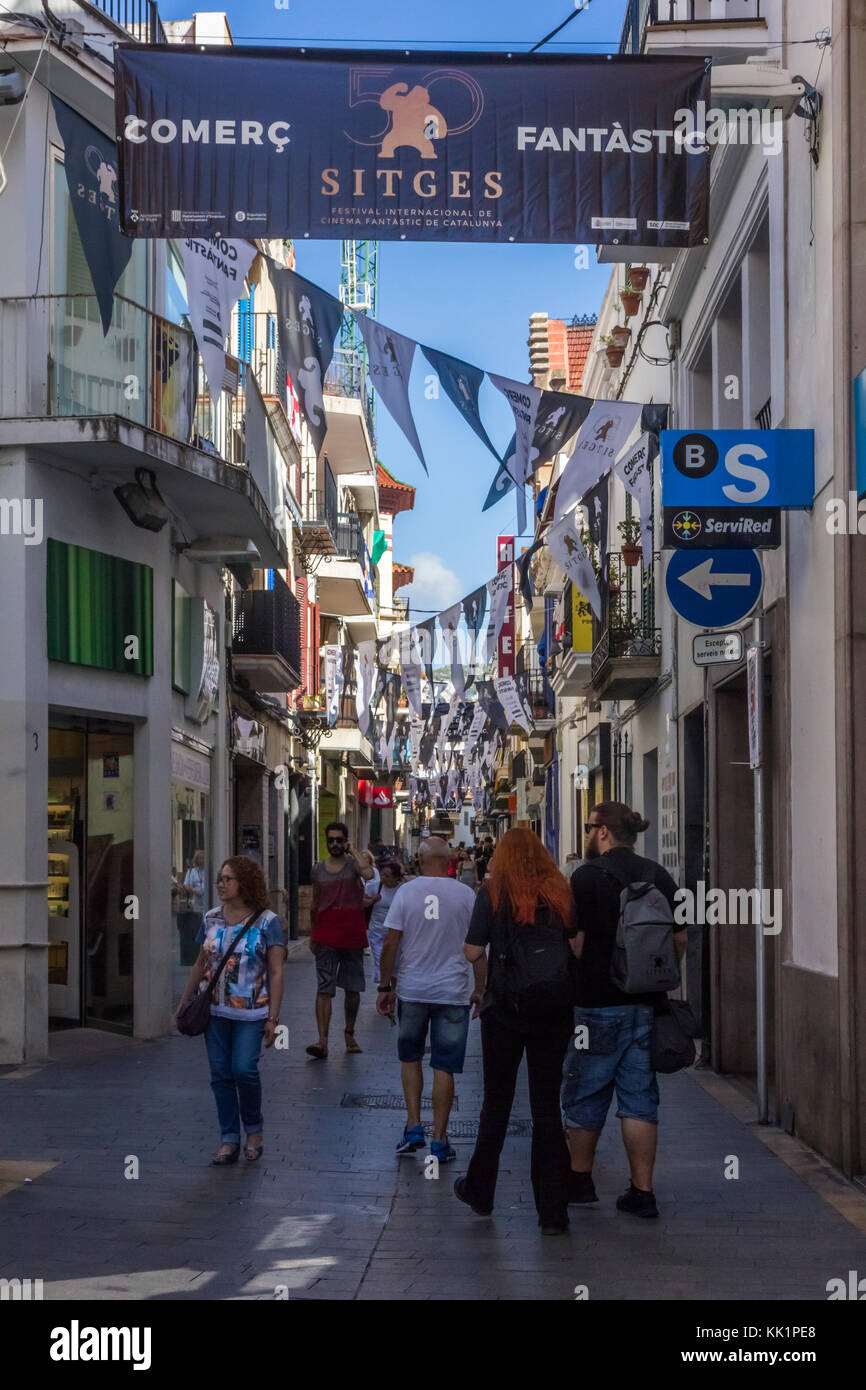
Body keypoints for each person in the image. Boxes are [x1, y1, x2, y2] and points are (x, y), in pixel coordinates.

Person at [562, 802, 684, 1219]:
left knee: (585, 1091)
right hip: (647, 1006)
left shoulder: (585, 878)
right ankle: (642, 1192)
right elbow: (679, 940)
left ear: (601, 832)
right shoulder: (660, 876)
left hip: (595, 1004)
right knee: (639, 1098)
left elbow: (574, 942)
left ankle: (579, 1182)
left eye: (588, 826)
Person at [455, 828, 575, 1234]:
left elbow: (472, 951)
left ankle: (480, 1190)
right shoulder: (559, 890)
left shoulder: (491, 893)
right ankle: (553, 1212)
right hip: (554, 1010)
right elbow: (576, 946)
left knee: (497, 1105)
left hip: (505, 1010)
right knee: (546, 1108)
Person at [376, 837, 481, 1165]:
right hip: (452, 993)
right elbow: (478, 947)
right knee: (444, 1066)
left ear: (419, 859)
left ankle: (413, 1127)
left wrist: (384, 985)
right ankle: (439, 1139)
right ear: (449, 861)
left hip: (413, 990)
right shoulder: (466, 895)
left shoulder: (406, 893)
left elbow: (391, 941)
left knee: (410, 1058)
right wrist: (481, 988)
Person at [175, 856, 285, 1165]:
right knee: (220, 1075)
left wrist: (274, 1018)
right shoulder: (211, 918)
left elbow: (276, 972)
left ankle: (254, 1130)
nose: (221, 884)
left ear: (245, 883)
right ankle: (229, 1138)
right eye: (220, 879)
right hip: (215, 1012)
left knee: (243, 1069)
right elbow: (200, 963)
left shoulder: (268, 922)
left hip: (252, 1013)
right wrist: (184, 1002)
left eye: (228, 879)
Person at [306, 822, 375, 1059]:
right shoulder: (318, 870)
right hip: (325, 937)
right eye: (331, 840)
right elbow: (315, 903)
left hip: (352, 936)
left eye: (339, 840)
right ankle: (322, 1042)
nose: (334, 844)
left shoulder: (354, 866)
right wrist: (312, 933)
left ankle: (349, 1033)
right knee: (324, 989)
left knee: (352, 989)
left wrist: (353, 851)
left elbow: (369, 873)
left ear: (344, 841)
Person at [366, 860, 404, 985]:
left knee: (395, 965)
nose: (383, 878)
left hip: (396, 934)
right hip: (376, 931)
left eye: (388, 876)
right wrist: (372, 900)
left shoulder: (403, 890)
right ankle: (383, 989)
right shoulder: (374, 887)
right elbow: (361, 903)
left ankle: (392, 991)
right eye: (382, 874)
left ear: (396, 878)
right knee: (380, 962)